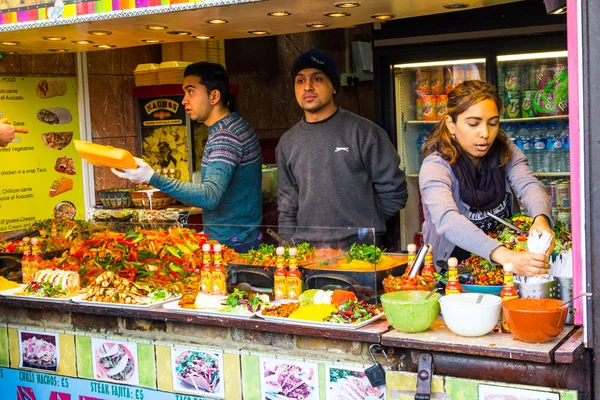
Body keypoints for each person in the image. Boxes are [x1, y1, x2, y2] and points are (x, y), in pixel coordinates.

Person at [113, 62, 263, 251]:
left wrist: (151, 177)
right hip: (236, 239)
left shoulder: (226, 135)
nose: (184, 100)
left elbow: (210, 196)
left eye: (190, 92)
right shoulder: (232, 126)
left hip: (235, 245)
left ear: (214, 96)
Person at [419, 80, 555, 276]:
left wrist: (541, 218)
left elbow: (528, 184)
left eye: (493, 123)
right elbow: (447, 220)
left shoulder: (504, 150)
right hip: (452, 275)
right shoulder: (436, 166)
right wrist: (504, 255)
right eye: (474, 123)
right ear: (451, 124)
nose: (485, 133)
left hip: (505, 270)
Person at [276, 49, 408, 247]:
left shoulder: (365, 132)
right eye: (300, 80)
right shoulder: (287, 142)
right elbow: (287, 208)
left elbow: (394, 193)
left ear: (334, 87)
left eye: (317, 79)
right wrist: (286, 251)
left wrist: (364, 226)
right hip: (307, 253)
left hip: (360, 253)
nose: (308, 87)